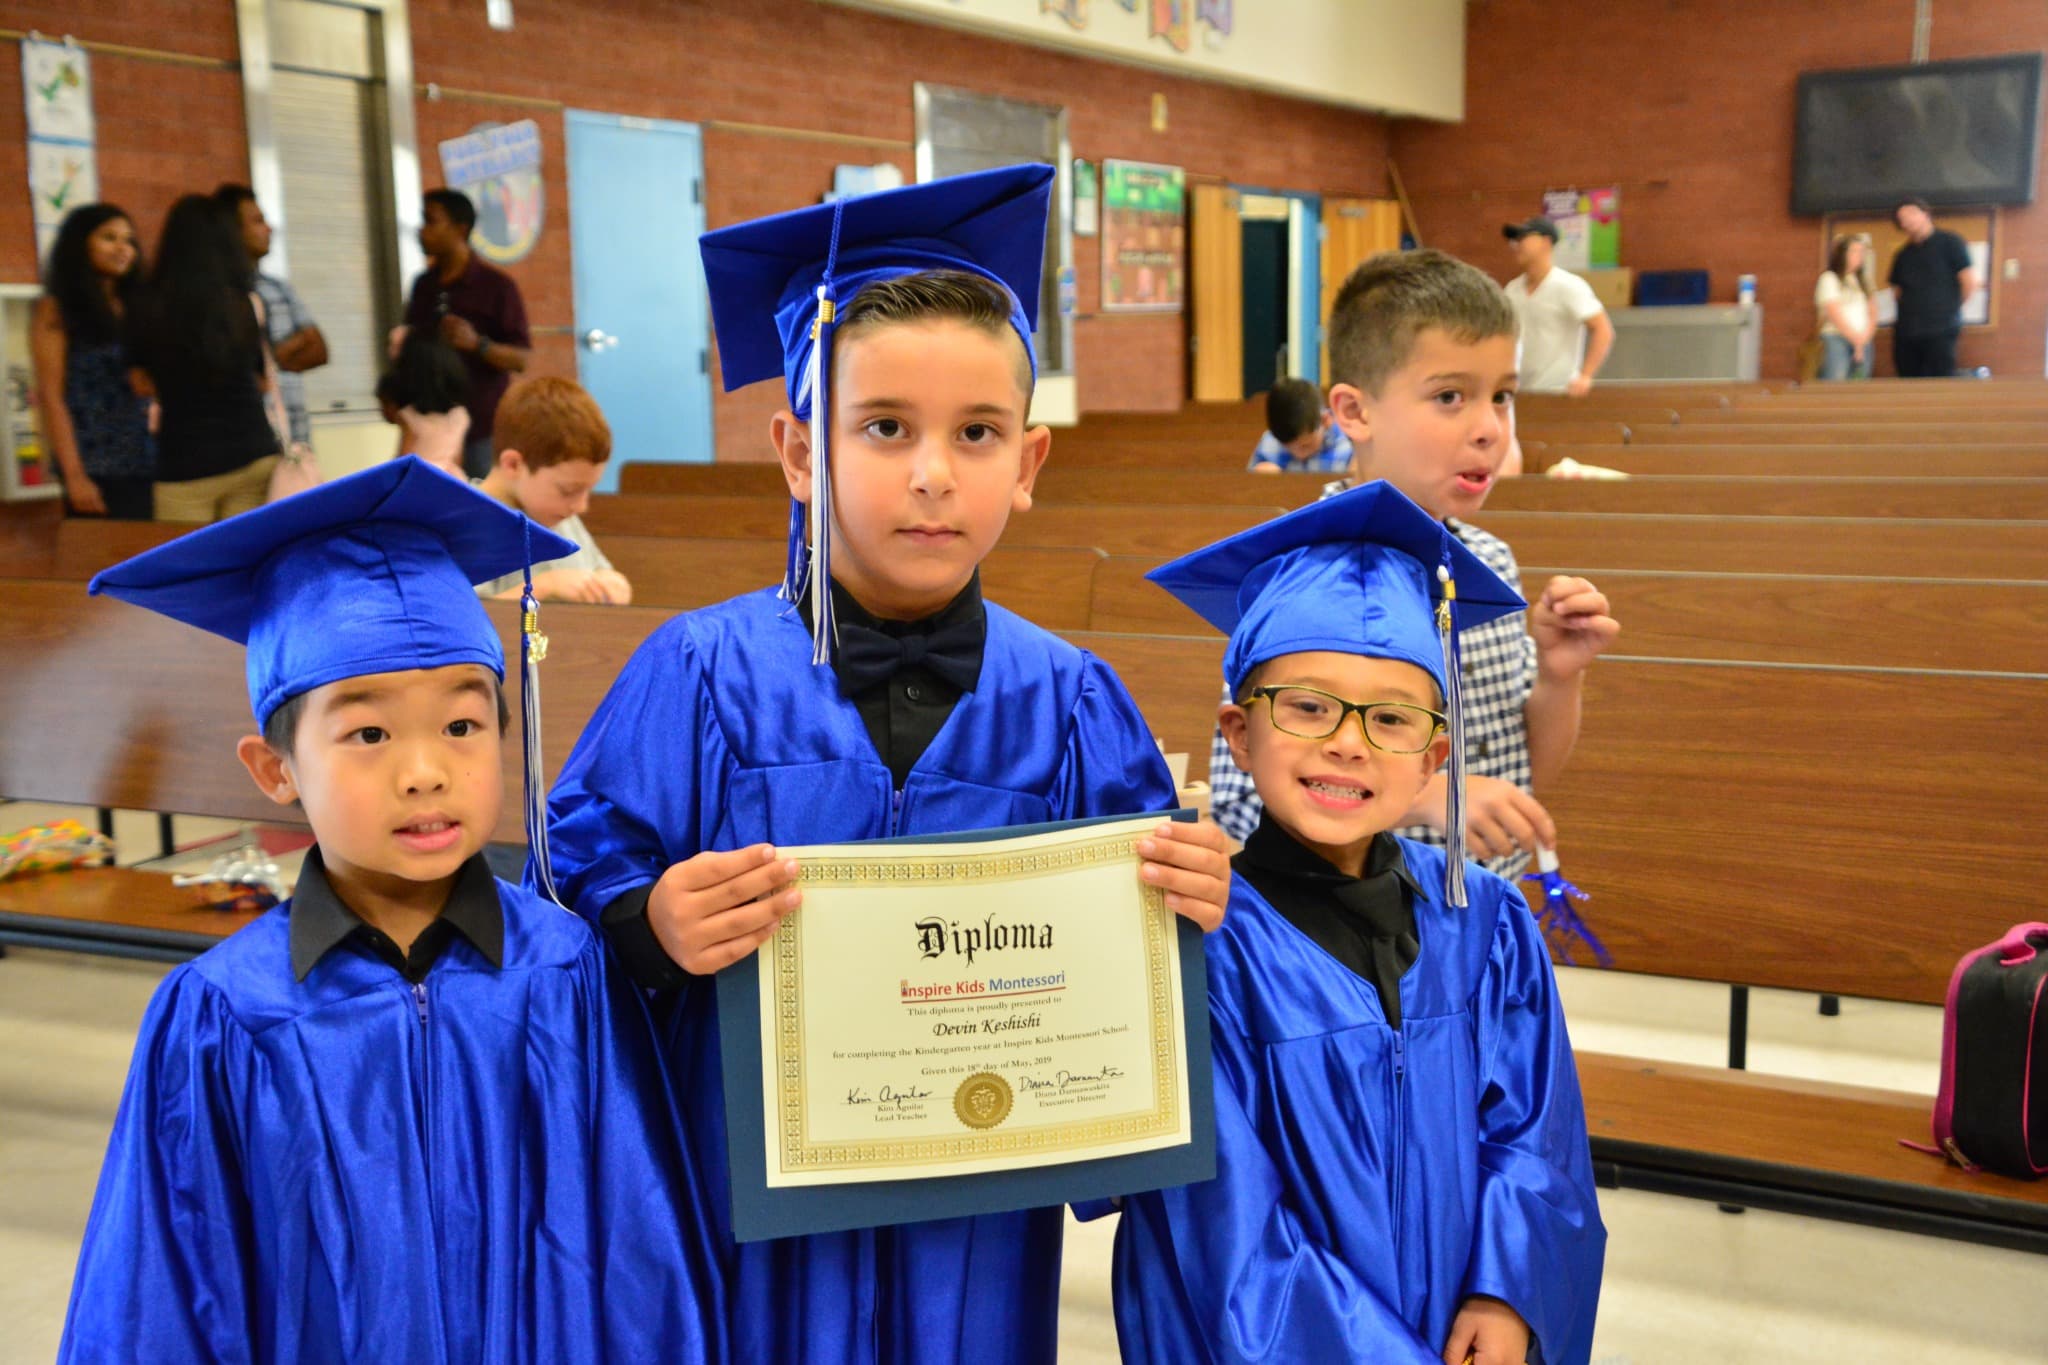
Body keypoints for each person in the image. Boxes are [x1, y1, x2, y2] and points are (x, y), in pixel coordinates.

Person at [542, 164, 1231, 1365]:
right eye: (883, 427)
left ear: (1028, 463)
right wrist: (648, 922)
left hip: (976, 1218)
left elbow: (1139, 987)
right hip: (744, 1209)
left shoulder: (1071, 701)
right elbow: (566, 883)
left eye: (977, 433)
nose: (931, 473)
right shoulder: (696, 676)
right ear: (797, 451)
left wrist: (1187, 904)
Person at [63, 460, 725, 1362]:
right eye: (368, 732)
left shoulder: (567, 973)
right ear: (275, 768)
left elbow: (640, 1266)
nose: (425, 772)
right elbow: (161, 1299)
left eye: (461, 724)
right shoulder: (222, 1015)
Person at [1116, 480, 1607, 1365]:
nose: (1348, 741)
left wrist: (1508, 1291)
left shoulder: (1488, 925)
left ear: (1434, 758)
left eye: (1391, 718)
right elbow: (1227, 1237)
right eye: (1307, 706)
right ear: (1238, 733)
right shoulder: (1198, 947)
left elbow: (1538, 1138)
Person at [1209, 250, 1619, 881]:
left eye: (1502, 396)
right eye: (1450, 396)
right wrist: (1427, 797)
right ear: (1354, 413)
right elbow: (1239, 803)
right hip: (1351, 919)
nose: (1490, 429)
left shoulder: (1489, 561)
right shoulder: (1294, 572)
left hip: (1483, 903)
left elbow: (1520, 775)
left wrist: (1559, 677)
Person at [125, 194, 281, 523]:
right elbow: (262, 381)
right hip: (253, 452)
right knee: (245, 553)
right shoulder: (241, 303)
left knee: (187, 556)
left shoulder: (146, 304)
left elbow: (140, 383)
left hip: (186, 462)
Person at [30, 204, 154, 519]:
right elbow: (51, 396)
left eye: (129, 240)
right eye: (109, 238)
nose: (122, 248)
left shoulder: (138, 306)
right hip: (95, 462)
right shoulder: (57, 309)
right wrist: (75, 476)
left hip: (150, 458)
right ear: (81, 244)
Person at [399, 188, 531, 478]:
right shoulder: (423, 286)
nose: (421, 230)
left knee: (481, 499)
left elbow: (522, 359)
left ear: (460, 229)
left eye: (431, 221)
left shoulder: (496, 286)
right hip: (430, 426)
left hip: (482, 428)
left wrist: (478, 344)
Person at [475, 375, 631, 604]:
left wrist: (612, 583)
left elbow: (600, 570)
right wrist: (544, 587)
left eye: (588, 490)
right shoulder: (471, 523)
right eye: (568, 490)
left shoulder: (558, 514)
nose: (581, 506)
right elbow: (465, 618)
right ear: (513, 465)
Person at [215, 183, 329, 447]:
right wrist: (289, 347)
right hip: (246, 441)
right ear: (232, 230)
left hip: (295, 439)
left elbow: (318, 349)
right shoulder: (218, 295)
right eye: (257, 221)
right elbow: (234, 369)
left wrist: (266, 359)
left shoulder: (278, 288)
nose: (269, 229)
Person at [1502, 216, 1613, 396]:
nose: (1518, 244)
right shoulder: (1511, 290)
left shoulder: (1569, 285)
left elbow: (1603, 329)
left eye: (1524, 237)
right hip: (1520, 393)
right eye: (1516, 239)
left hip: (1559, 392)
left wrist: (1585, 376)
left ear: (1546, 242)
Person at [1888, 199, 1977, 379]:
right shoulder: (1902, 254)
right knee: (1907, 381)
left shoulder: (1951, 242)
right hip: (1907, 331)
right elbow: (1897, 291)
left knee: (1940, 381)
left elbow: (1969, 282)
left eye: (1912, 214)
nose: (1907, 220)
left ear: (1926, 214)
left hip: (1941, 329)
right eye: (1902, 218)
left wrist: (1949, 309)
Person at [377, 329, 471, 476]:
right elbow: (457, 460)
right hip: (451, 478)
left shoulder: (410, 417)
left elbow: (404, 462)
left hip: (420, 480)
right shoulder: (461, 415)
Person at [1248, 377, 1353, 475]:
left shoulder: (1345, 447)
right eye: (1287, 447)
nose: (1298, 455)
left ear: (1325, 421)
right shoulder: (1270, 443)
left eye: (1305, 446)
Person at [1814, 234, 1875, 382]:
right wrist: (1855, 339)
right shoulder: (1829, 278)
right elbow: (1833, 312)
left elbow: (1873, 311)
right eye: (1854, 251)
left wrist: (1864, 338)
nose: (1859, 256)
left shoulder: (1864, 281)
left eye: (1862, 252)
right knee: (1836, 380)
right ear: (1842, 254)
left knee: (1860, 382)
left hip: (1863, 340)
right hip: (1836, 338)